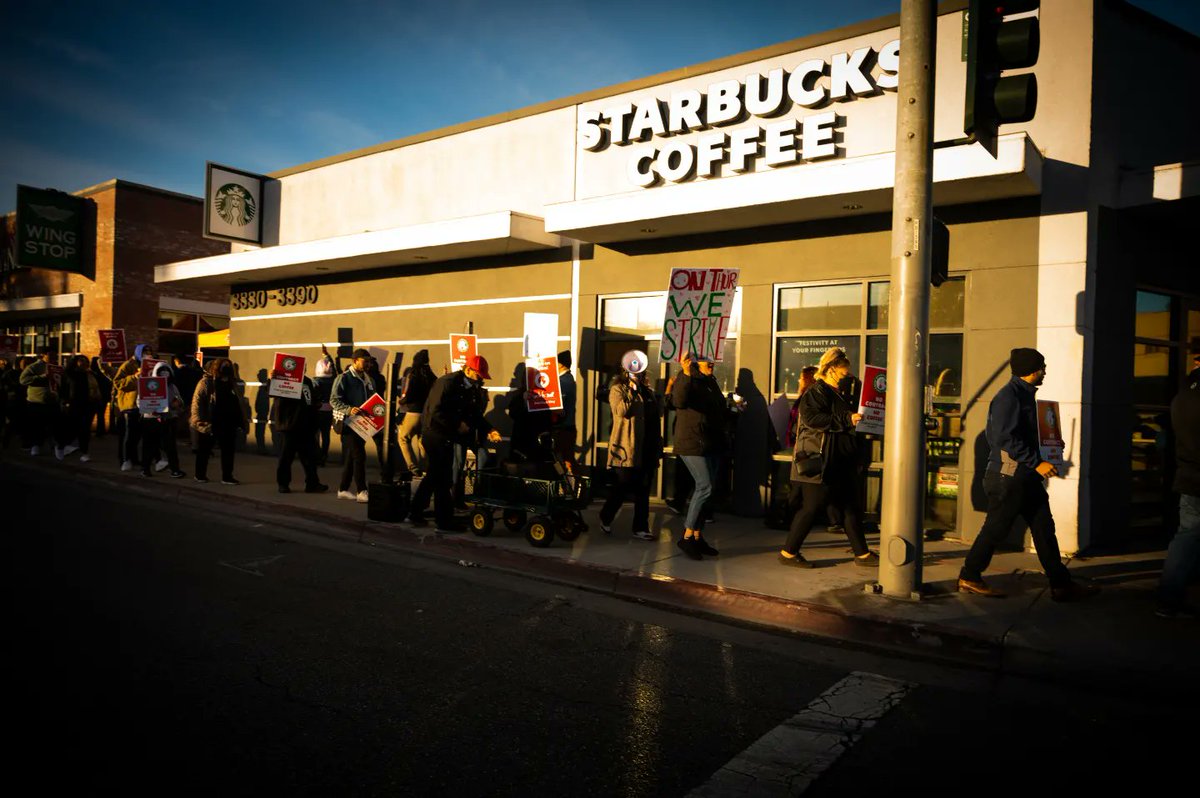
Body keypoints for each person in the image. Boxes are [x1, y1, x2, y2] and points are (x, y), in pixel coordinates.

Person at [957, 348, 1099, 601]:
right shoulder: (1009, 397)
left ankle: (1061, 584)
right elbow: (1002, 437)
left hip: (1026, 477)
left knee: (1044, 529)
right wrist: (1037, 462)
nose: (1045, 371)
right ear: (1031, 370)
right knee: (995, 530)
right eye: (1042, 367)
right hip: (1008, 477)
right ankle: (969, 576)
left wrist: (1050, 447)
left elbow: (1021, 435)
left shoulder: (1024, 396)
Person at [780, 347, 878, 568]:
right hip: (821, 461)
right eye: (844, 374)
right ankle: (788, 553)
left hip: (838, 461)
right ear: (832, 370)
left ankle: (862, 554)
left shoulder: (835, 392)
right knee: (811, 508)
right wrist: (847, 419)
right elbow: (813, 418)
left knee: (849, 507)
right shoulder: (817, 392)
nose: (847, 378)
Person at [409, 354, 502, 531]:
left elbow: (474, 415)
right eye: (478, 375)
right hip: (435, 434)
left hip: (448, 435)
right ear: (468, 370)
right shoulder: (447, 383)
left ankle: (415, 512)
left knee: (435, 475)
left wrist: (489, 429)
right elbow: (435, 411)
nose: (480, 380)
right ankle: (443, 521)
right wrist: (456, 424)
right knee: (443, 478)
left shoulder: (471, 389)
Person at [599, 353, 662, 540]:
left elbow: (656, 415)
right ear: (626, 373)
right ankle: (606, 516)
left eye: (641, 372)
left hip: (647, 447)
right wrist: (632, 392)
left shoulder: (647, 391)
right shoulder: (618, 390)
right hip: (627, 448)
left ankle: (641, 528)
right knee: (622, 487)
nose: (639, 375)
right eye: (635, 372)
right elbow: (621, 411)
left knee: (643, 489)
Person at [669, 351, 726, 560]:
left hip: (710, 443)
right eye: (705, 359)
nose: (710, 363)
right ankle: (686, 536)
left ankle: (697, 536)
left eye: (712, 360)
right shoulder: (688, 378)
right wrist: (685, 372)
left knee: (707, 491)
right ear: (695, 362)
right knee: (705, 486)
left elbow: (717, 409)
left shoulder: (710, 382)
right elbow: (679, 401)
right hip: (691, 443)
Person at [1156, 348, 1200, 618]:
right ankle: (1171, 597)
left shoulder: (1182, 396)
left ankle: (1169, 597)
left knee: (1186, 536)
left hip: (1187, 474)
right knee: (1189, 537)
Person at [270, 366, 328, 495]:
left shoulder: (307, 381)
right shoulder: (283, 380)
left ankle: (312, 484)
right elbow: (272, 393)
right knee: (286, 457)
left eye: (304, 367)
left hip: (305, 426)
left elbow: (309, 400)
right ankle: (283, 484)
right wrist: (272, 379)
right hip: (289, 425)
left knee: (310, 458)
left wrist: (315, 404)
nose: (303, 370)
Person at [190, 357, 247, 485]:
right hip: (211, 422)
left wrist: (241, 421)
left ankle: (227, 476)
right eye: (224, 366)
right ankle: (200, 475)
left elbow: (239, 402)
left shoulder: (232, 383)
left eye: (228, 366)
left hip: (229, 423)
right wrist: (199, 421)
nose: (226, 368)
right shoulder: (207, 382)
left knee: (228, 451)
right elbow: (197, 402)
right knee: (204, 450)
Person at [331, 348, 374, 502]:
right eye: (365, 361)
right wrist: (349, 409)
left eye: (369, 361)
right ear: (355, 361)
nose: (368, 364)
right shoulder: (344, 378)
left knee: (352, 457)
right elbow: (334, 400)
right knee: (359, 456)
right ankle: (362, 491)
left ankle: (343, 489)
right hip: (348, 424)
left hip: (363, 424)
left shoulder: (368, 379)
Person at [112, 344, 156, 471]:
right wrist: (134, 377)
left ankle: (135, 459)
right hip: (130, 405)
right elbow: (118, 382)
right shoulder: (128, 365)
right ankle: (125, 459)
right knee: (128, 435)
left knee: (137, 435)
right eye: (145, 352)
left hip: (144, 404)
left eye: (149, 351)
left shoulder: (150, 365)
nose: (148, 354)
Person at [139, 361, 187, 478]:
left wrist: (178, 403)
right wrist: (151, 409)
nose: (165, 375)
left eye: (167, 373)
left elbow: (180, 400)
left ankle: (175, 470)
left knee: (170, 447)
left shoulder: (172, 386)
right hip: (151, 420)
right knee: (150, 446)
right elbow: (141, 401)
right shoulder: (148, 384)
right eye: (162, 373)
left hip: (167, 419)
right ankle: (145, 469)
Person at [396, 349, 435, 476]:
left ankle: (412, 467)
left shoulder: (413, 374)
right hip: (427, 413)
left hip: (413, 412)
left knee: (403, 438)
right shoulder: (431, 375)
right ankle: (426, 468)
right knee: (422, 442)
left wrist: (402, 401)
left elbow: (409, 394)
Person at [60, 355, 101, 463]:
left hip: (89, 405)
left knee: (85, 429)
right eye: (81, 361)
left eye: (85, 361)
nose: (84, 363)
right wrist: (65, 402)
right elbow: (64, 389)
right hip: (75, 404)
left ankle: (84, 452)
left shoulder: (90, 374)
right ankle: (64, 446)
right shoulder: (71, 374)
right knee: (74, 427)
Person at [19, 348, 59, 456]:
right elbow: (23, 380)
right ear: (43, 355)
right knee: (36, 425)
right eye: (51, 355)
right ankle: (35, 446)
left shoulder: (56, 367)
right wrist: (42, 376)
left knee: (52, 425)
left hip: (51, 401)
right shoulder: (34, 366)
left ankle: (53, 444)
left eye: (55, 354)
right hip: (36, 401)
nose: (54, 357)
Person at [552, 350, 578, 473]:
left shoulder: (563, 381)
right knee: (566, 458)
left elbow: (558, 405)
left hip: (563, 428)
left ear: (561, 364)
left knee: (565, 461)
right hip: (566, 427)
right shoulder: (568, 379)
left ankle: (570, 487)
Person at [313, 345, 337, 466]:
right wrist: (327, 356)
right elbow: (334, 369)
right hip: (329, 412)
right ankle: (323, 457)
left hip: (317, 411)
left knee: (315, 435)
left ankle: (316, 457)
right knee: (326, 436)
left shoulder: (315, 382)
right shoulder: (333, 380)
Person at [90, 357, 114, 437]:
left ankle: (96, 431)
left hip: (95, 397)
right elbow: (109, 384)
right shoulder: (103, 374)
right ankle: (101, 431)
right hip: (103, 397)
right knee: (101, 415)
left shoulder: (92, 374)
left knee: (92, 415)